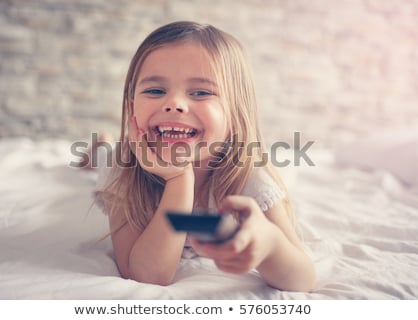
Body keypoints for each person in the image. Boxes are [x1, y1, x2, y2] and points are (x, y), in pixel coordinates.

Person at [93, 21, 316, 291]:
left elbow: (303, 279)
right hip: (115, 156)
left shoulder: (248, 178)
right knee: (103, 155)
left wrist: (271, 245)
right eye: (155, 90)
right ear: (132, 109)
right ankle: (99, 147)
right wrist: (179, 178)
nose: (174, 103)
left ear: (235, 117)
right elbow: (148, 275)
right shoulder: (123, 171)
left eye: (201, 92)